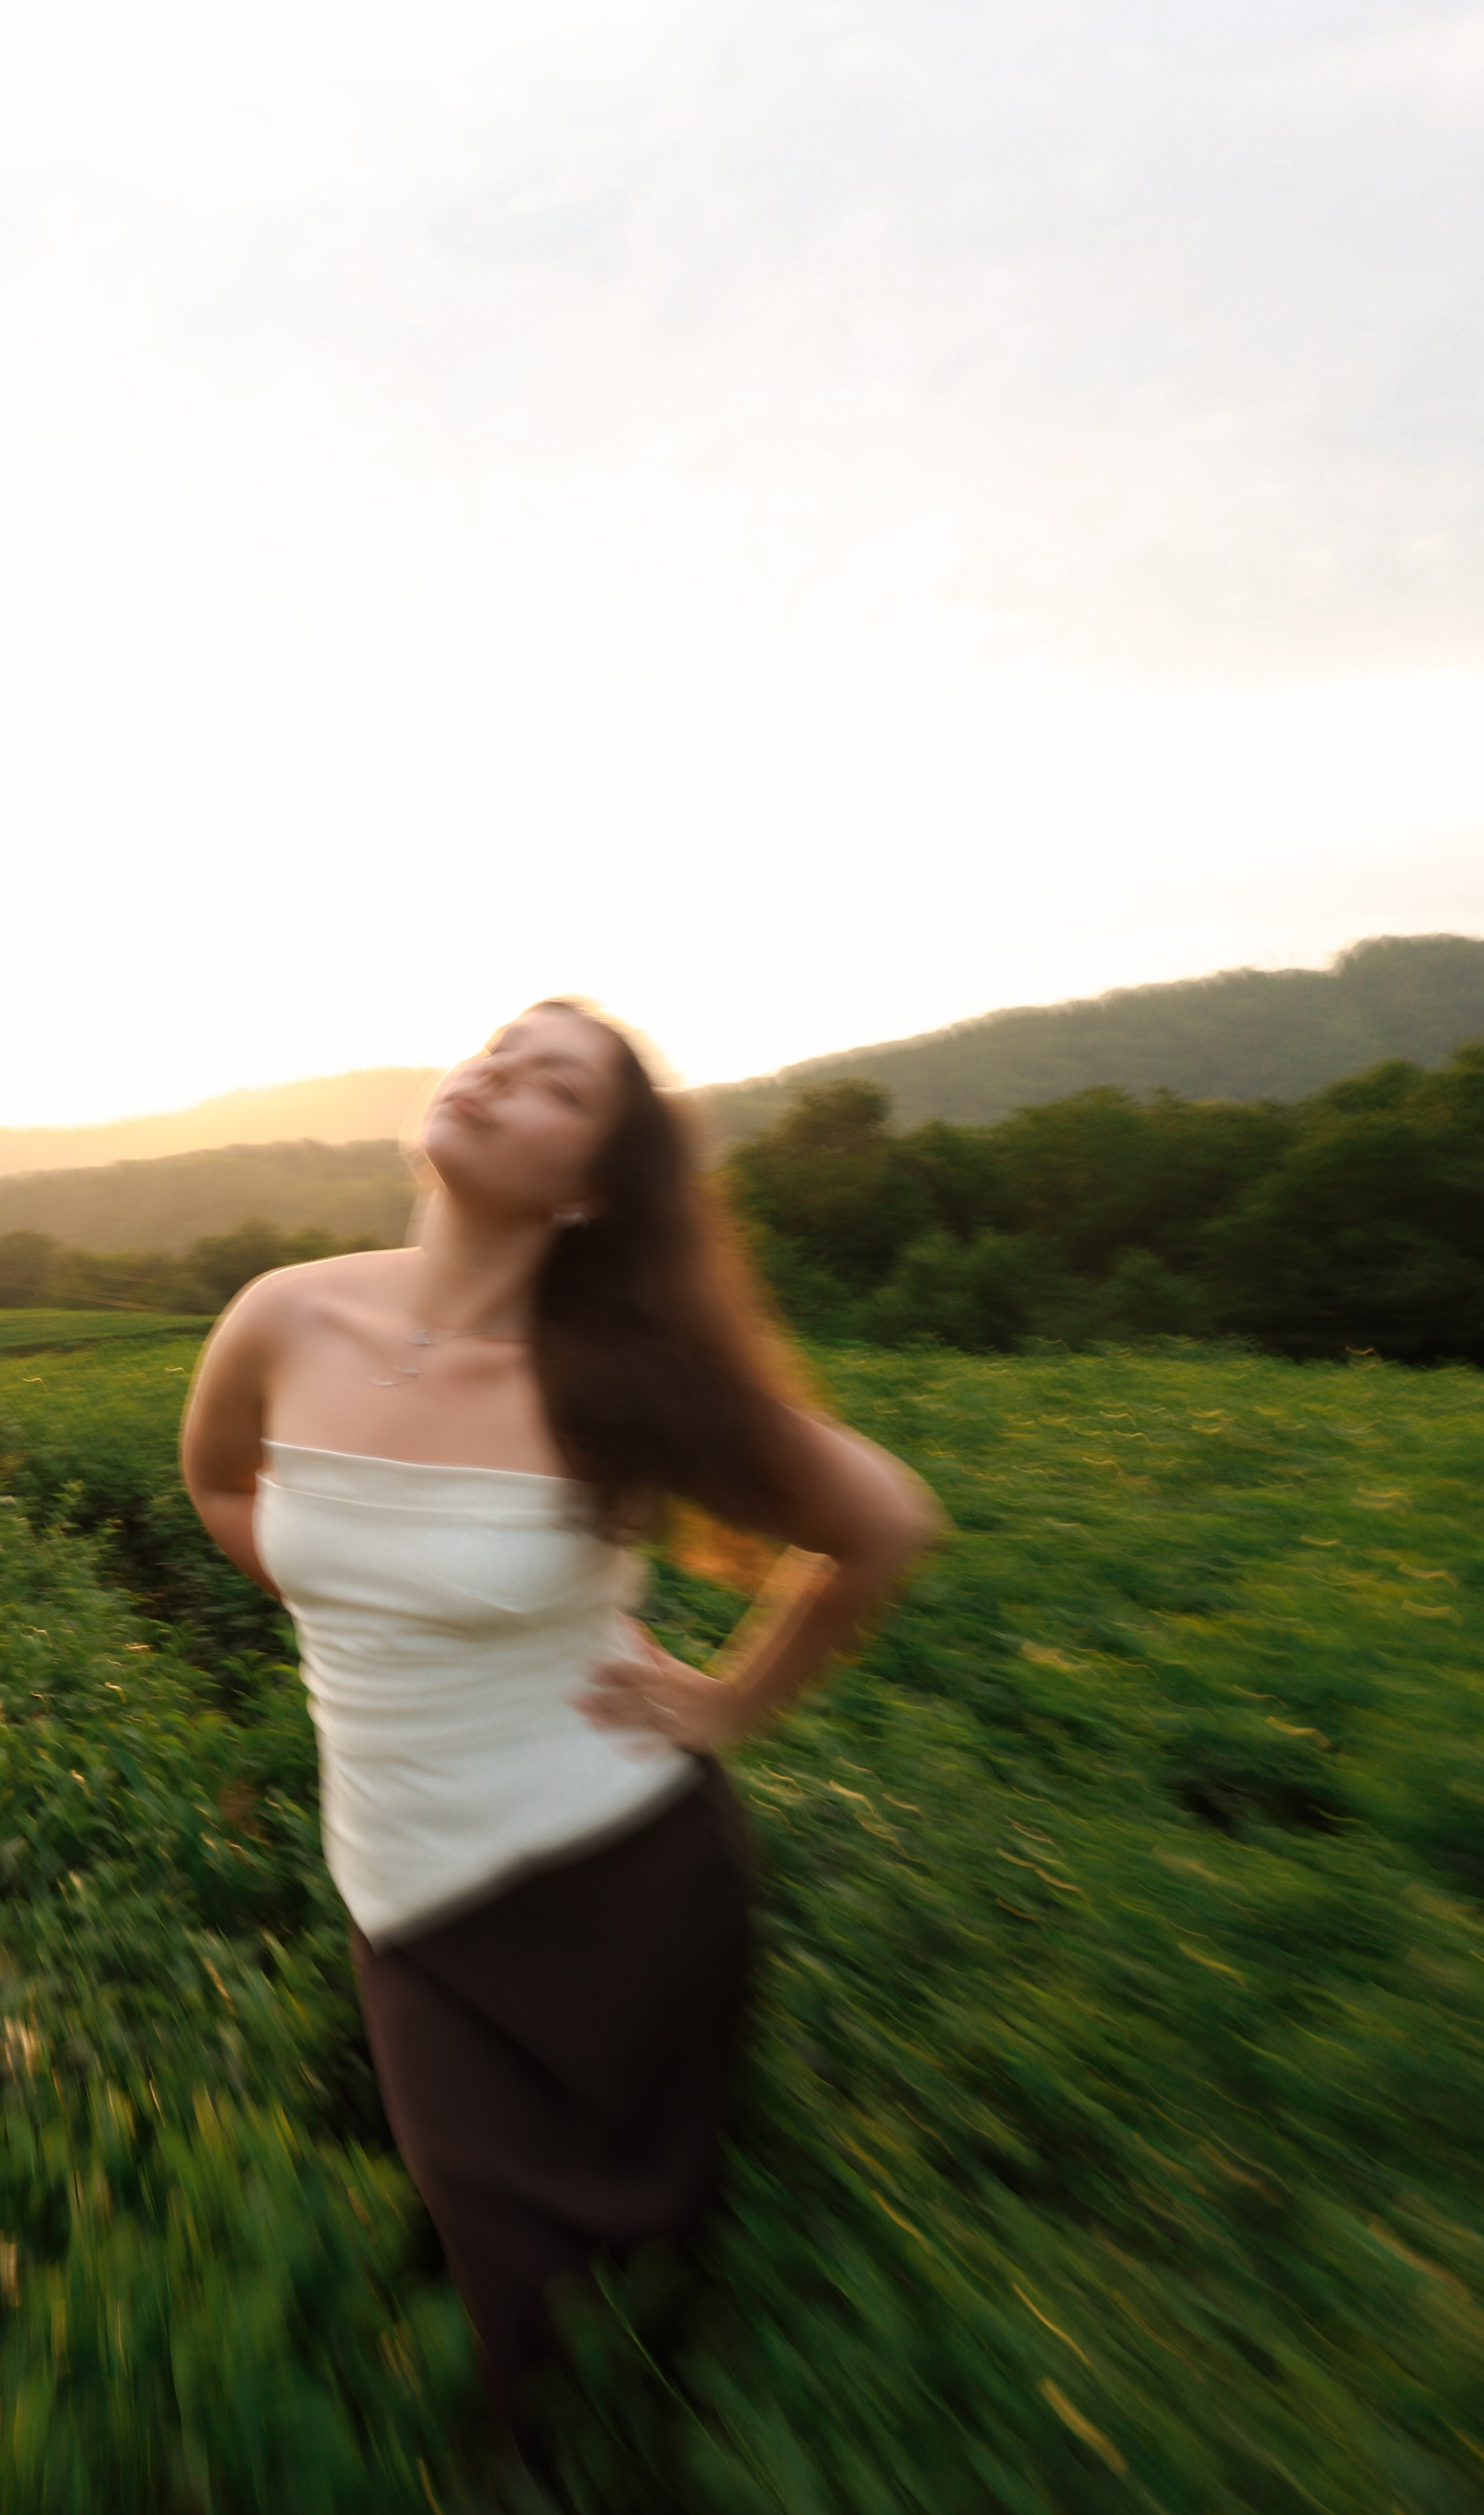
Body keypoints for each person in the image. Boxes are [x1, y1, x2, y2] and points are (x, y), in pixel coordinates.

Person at [179, 997, 943, 2437]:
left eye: (554, 1088)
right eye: (496, 1053)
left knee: (625, 2302)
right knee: (512, 2289)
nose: (496, 1078)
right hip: (397, 1877)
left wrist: (735, 1703)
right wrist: (351, 1606)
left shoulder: (624, 1379)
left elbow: (886, 1523)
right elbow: (221, 1483)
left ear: (594, 1185)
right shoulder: (287, 1312)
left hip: (613, 1874)